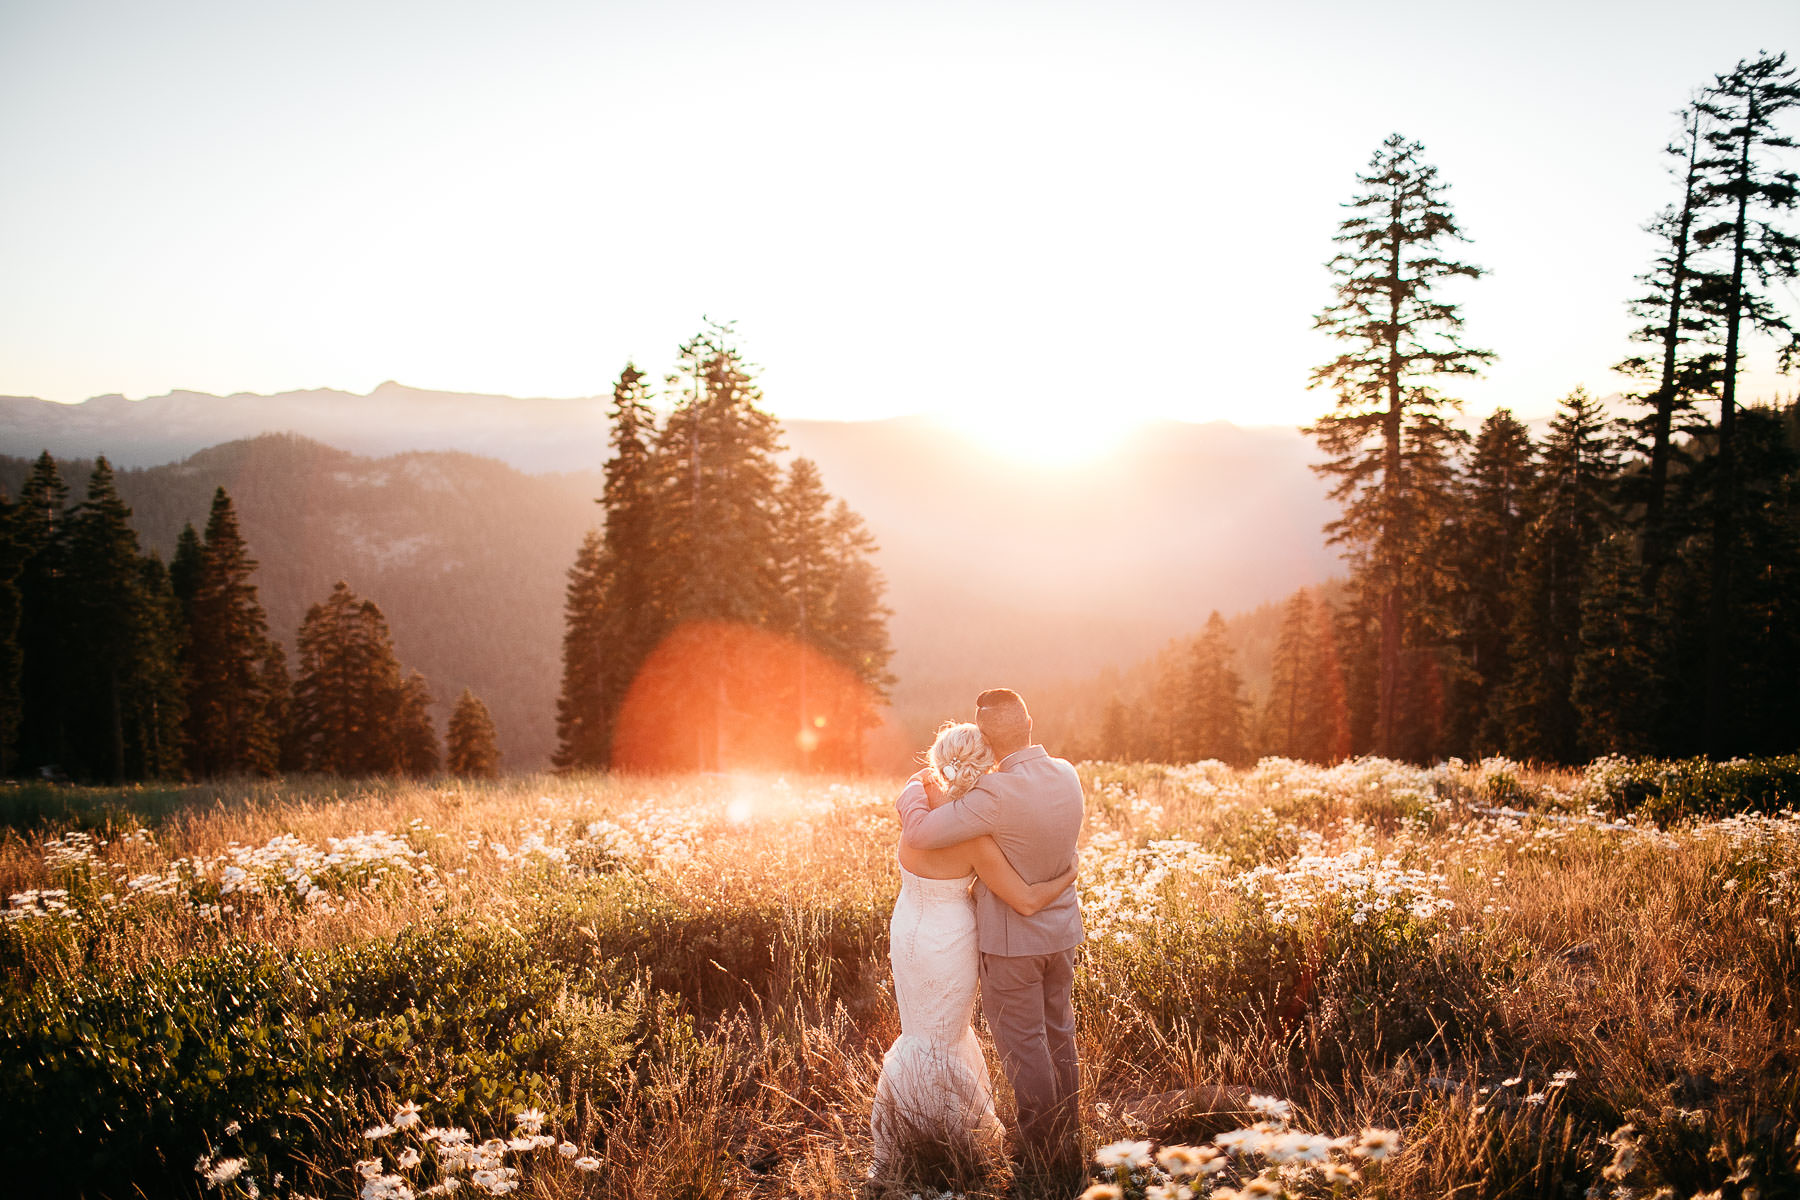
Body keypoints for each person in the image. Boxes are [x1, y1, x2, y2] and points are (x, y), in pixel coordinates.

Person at [895, 688, 1086, 1180]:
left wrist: (915, 791)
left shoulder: (992, 794)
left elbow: (919, 834)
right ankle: (1070, 1134)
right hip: (1063, 933)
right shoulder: (1067, 773)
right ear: (1030, 722)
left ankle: (1042, 1150)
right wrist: (1067, 878)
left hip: (1012, 942)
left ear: (986, 738)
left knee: (1025, 1046)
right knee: (1060, 1033)